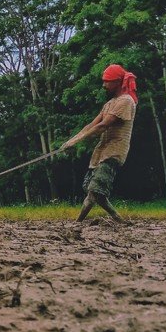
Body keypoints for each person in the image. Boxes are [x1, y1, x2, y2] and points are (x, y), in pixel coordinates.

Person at [60, 64, 138, 223]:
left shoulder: (126, 101)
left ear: (117, 82)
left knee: (94, 190)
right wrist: (70, 141)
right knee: (96, 192)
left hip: (114, 151)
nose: (104, 85)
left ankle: (78, 222)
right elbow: (91, 125)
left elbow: (103, 125)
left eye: (107, 81)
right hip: (102, 150)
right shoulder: (110, 103)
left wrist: (77, 141)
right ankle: (119, 219)